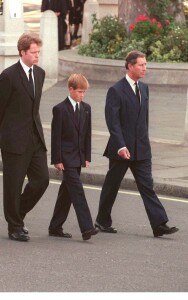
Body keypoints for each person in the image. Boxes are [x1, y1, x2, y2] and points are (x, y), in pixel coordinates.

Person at [95, 50, 179, 238]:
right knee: (112, 185)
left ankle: (159, 224)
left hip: (141, 149)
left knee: (147, 186)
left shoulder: (145, 88)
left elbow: (144, 120)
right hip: (121, 149)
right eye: (141, 65)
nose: (145, 68)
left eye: (145, 64)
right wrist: (121, 146)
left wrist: (145, 143)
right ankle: (102, 220)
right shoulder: (116, 90)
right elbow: (113, 122)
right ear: (130, 66)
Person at [0, 32, 49, 242]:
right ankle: (14, 226)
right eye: (33, 52)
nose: (37, 56)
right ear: (22, 52)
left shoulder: (40, 74)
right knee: (13, 185)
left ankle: (18, 213)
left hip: (35, 138)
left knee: (42, 180)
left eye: (38, 52)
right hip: (14, 139)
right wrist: (6, 130)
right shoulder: (8, 76)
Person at [49, 74, 98, 241]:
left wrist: (87, 156)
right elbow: (56, 137)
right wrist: (57, 159)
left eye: (84, 92)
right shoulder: (60, 109)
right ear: (70, 89)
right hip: (65, 158)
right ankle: (87, 228)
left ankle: (55, 226)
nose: (82, 95)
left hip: (78, 157)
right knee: (77, 191)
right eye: (79, 91)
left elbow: (87, 134)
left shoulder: (86, 108)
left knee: (66, 193)